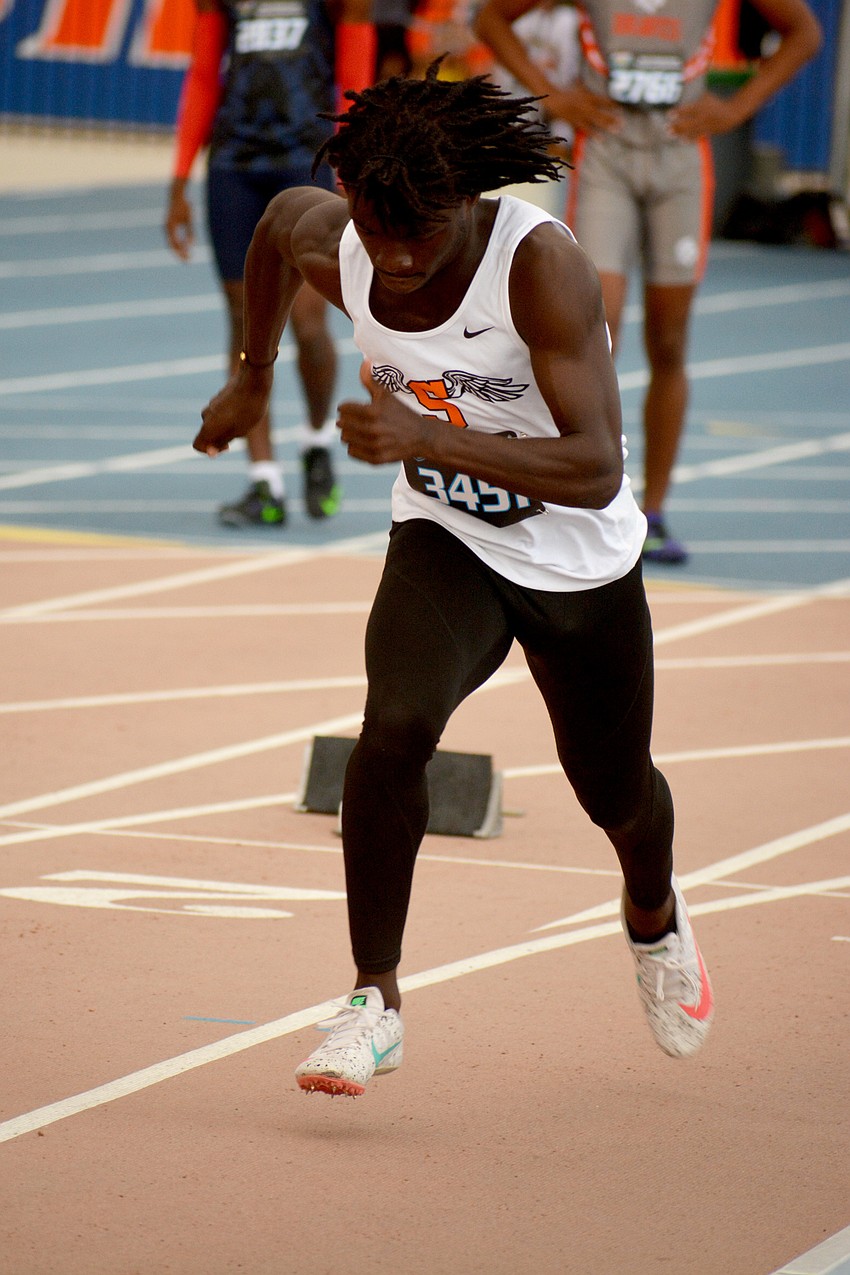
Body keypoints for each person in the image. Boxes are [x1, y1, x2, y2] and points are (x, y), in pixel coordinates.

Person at [194, 62, 714, 1097]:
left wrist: (426, 430)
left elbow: (594, 467)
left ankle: (652, 917)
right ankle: (371, 1001)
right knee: (393, 726)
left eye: (416, 238)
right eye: (373, 230)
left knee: (612, 789)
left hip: (572, 553)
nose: (390, 259)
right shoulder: (340, 239)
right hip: (446, 534)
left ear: (467, 204)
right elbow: (271, 233)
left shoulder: (538, 265)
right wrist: (252, 374)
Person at [474, 0, 821, 562]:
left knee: (668, 340)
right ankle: (572, 500)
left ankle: (653, 511)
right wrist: (552, 94)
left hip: (681, 153)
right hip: (607, 149)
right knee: (592, 329)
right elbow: (491, 17)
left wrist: (738, 109)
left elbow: (804, 32)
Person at [165, 0, 376, 527]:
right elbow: (203, 76)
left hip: (305, 161)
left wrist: (349, 165)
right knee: (244, 324)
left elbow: (355, 78)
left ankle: (318, 439)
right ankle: (264, 482)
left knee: (307, 321)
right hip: (234, 166)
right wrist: (178, 178)